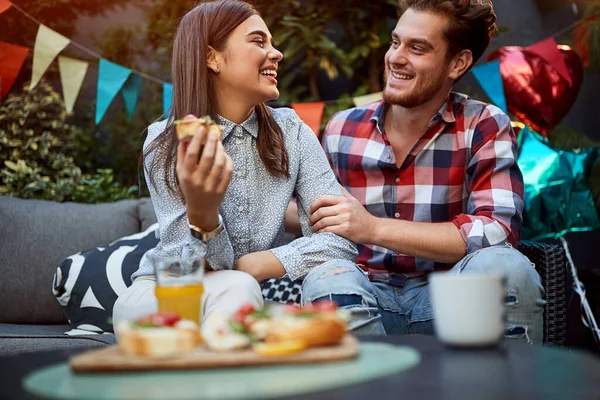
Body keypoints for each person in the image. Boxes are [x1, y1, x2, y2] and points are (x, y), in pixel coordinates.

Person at [303, 0, 545, 343]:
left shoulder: (482, 124)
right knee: (325, 278)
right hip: (364, 294)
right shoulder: (342, 128)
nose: (395, 57)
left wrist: (372, 228)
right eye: (395, 41)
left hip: (453, 300)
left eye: (417, 48)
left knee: (508, 269)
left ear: (457, 63)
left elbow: (498, 232)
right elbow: (313, 213)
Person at [113, 0, 357, 327]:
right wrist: (203, 214)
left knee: (244, 290)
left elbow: (340, 240)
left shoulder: (293, 132)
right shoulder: (166, 142)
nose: (277, 53)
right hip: (164, 290)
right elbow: (187, 264)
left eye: (272, 42)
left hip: (244, 294)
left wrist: (258, 264)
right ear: (211, 57)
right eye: (259, 41)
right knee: (239, 292)